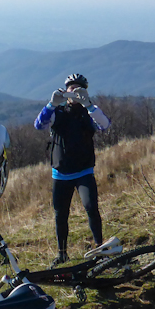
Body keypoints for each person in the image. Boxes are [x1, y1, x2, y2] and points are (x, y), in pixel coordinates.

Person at [34, 73, 116, 265]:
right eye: (71, 88)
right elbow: (39, 125)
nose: (75, 91)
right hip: (61, 173)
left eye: (79, 88)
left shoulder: (89, 112)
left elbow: (104, 125)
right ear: (65, 90)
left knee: (91, 208)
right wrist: (51, 104)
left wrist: (88, 105)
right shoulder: (58, 112)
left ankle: (100, 248)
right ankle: (62, 253)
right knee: (61, 214)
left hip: (84, 171)